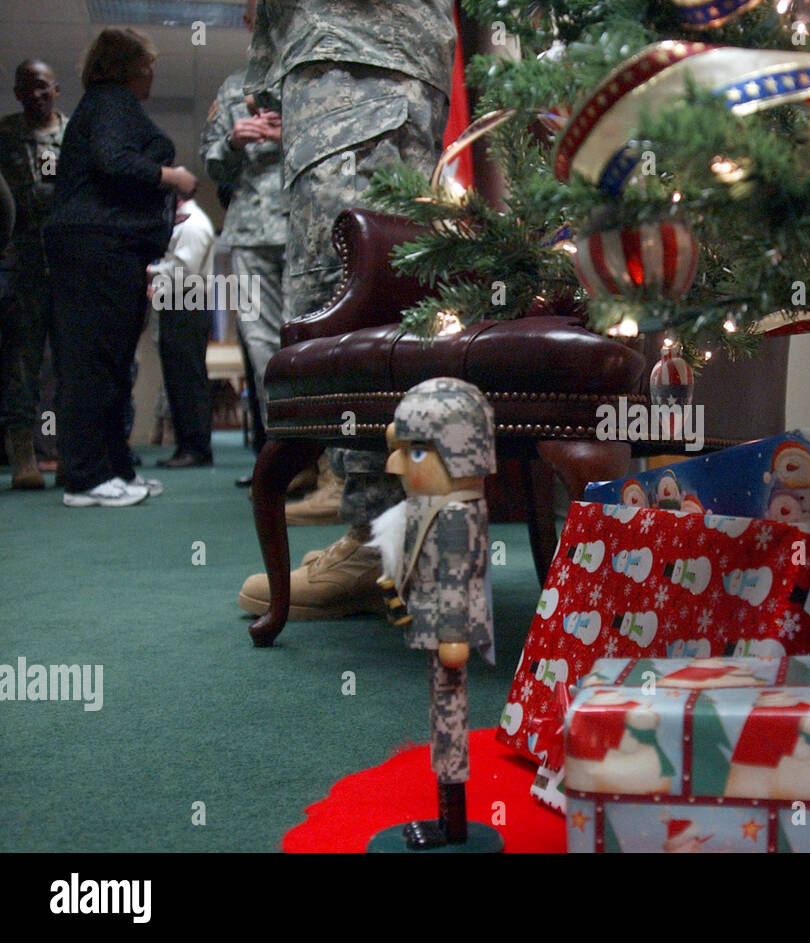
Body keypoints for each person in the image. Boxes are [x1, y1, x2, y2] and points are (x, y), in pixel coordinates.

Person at [238, 0, 455, 615]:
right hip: (360, 54)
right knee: (360, 280)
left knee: (343, 288)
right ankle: (387, 533)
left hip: (359, 54)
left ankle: (379, 543)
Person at [44, 28, 197, 507]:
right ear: (127, 67)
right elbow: (112, 161)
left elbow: (110, 171)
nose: (152, 73)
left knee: (110, 365)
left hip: (109, 249)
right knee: (94, 363)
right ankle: (87, 478)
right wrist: (170, 176)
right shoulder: (110, 101)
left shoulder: (105, 105)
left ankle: (113, 469)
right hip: (96, 249)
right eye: (146, 64)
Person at [370, 378, 496, 849]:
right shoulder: (435, 507)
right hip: (437, 626)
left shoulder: (453, 516)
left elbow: (455, 580)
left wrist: (452, 634)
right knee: (443, 712)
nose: (397, 464)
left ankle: (452, 822)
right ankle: (449, 815)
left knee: (449, 715)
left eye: (418, 452)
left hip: (450, 631)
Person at [199, 67, 288, 484]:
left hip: (310, 229)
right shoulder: (233, 86)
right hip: (251, 232)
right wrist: (233, 142)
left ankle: (330, 464)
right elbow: (211, 163)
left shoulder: (314, 75)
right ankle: (284, 460)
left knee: (316, 344)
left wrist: (294, 135)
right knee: (262, 351)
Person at [0, 59, 65, 489]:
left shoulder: (73, 135)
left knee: (66, 368)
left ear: (55, 88)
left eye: (42, 86)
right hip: (20, 264)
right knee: (20, 366)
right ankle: (23, 453)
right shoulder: (4, 134)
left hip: (64, 265)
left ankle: (62, 451)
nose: (35, 95)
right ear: (17, 92)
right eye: (27, 88)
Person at [150, 198, 215, 467]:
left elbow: (183, 271)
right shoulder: (183, 223)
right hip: (179, 304)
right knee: (178, 380)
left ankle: (195, 448)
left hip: (187, 304)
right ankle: (187, 445)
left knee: (188, 379)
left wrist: (149, 271)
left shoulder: (192, 225)